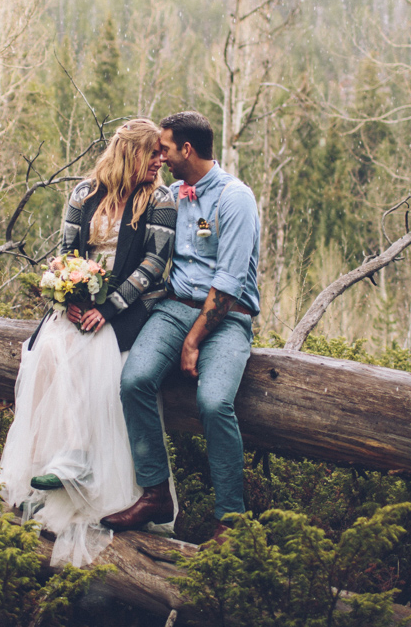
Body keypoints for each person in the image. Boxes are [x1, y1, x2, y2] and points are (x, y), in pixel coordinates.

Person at [0, 118, 177, 567]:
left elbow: (155, 263)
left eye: (162, 153)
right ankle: (52, 459)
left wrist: (108, 306)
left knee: (93, 355)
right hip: (83, 299)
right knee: (44, 352)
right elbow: (67, 252)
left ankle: (79, 461)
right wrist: (72, 297)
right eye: (152, 153)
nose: (161, 161)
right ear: (130, 153)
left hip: (130, 304)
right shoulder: (83, 193)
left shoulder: (161, 199)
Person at [102, 111, 260, 544]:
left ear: (186, 149)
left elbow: (229, 284)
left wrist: (193, 343)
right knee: (134, 380)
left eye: (166, 149)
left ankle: (230, 517)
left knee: (213, 402)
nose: (162, 157)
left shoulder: (235, 198)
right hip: (174, 308)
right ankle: (155, 493)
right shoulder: (174, 194)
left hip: (227, 319)